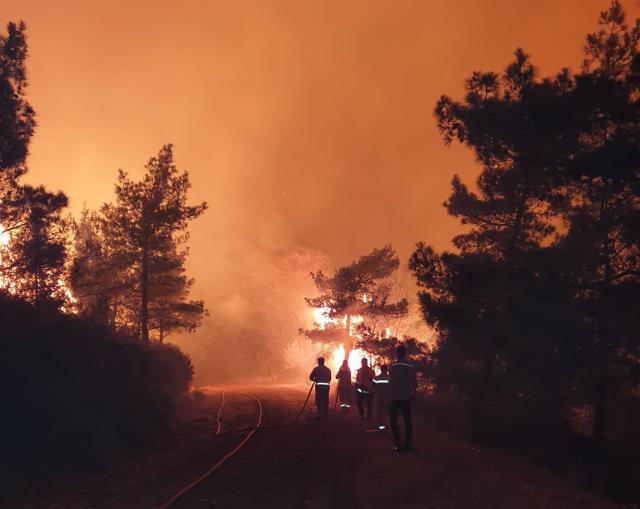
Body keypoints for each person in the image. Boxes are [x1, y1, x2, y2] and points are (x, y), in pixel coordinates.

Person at [389, 345, 417, 452]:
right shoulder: (410, 366)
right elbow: (414, 382)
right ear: (405, 353)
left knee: (394, 421)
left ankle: (398, 444)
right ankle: (407, 445)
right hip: (406, 397)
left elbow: (390, 382)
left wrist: (389, 396)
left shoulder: (393, 366)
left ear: (396, 353)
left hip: (395, 397)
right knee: (407, 421)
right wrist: (413, 393)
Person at [372, 364, 390, 430]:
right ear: (387, 370)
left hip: (380, 397)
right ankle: (395, 425)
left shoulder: (376, 378)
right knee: (391, 412)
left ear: (381, 370)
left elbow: (373, 387)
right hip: (389, 398)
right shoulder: (390, 378)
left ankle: (381, 427)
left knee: (380, 413)